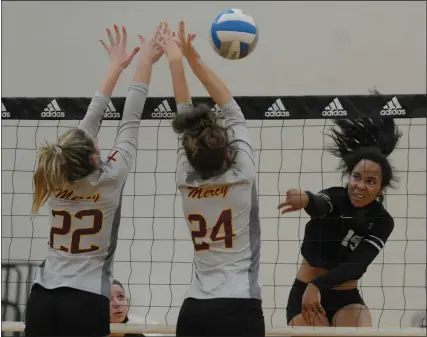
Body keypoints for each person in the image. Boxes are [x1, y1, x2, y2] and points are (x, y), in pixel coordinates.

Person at [24, 24, 164, 336]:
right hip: (85, 299)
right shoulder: (112, 177)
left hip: (42, 296)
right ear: (92, 157)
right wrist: (144, 64)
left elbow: (92, 117)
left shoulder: (55, 170)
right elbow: (130, 118)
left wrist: (115, 67)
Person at [154, 22, 265, 337]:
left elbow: (185, 116)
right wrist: (191, 58)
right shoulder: (243, 177)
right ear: (229, 153)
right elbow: (232, 110)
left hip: (195, 310)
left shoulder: (185, 180)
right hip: (238, 306)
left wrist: (175, 60)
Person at [278, 117, 402, 328]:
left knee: (361, 328)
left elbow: (357, 265)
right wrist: (307, 199)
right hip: (305, 292)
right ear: (349, 177)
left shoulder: (382, 221)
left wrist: (318, 286)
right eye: (356, 177)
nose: (360, 186)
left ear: (381, 189)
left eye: (370, 181)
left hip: (345, 298)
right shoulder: (334, 197)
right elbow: (319, 204)